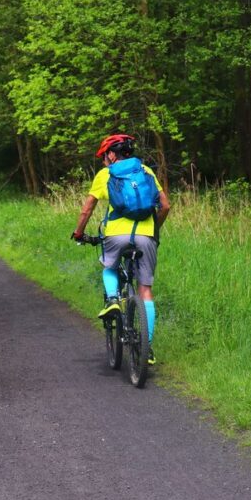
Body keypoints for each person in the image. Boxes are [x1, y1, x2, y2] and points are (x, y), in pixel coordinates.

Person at [71, 134, 171, 364]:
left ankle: (113, 299)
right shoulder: (146, 171)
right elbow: (165, 205)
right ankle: (147, 347)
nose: (104, 161)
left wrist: (78, 232)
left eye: (105, 156)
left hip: (115, 236)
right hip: (146, 237)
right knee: (145, 289)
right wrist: (153, 229)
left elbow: (87, 209)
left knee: (109, 267)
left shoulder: (105, 175)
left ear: (112, 154)